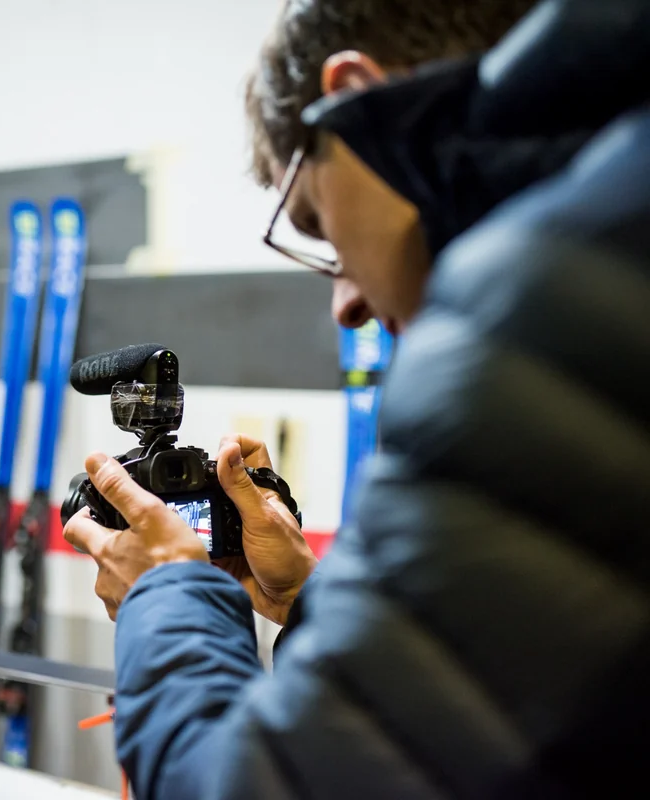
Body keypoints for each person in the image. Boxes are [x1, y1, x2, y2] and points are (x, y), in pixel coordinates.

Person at [64, 0, 650, 797]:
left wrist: (166, 593)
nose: (346, 302)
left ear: (356, 92)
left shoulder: (540, 308)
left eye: (319, 227)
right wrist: (311, 598)